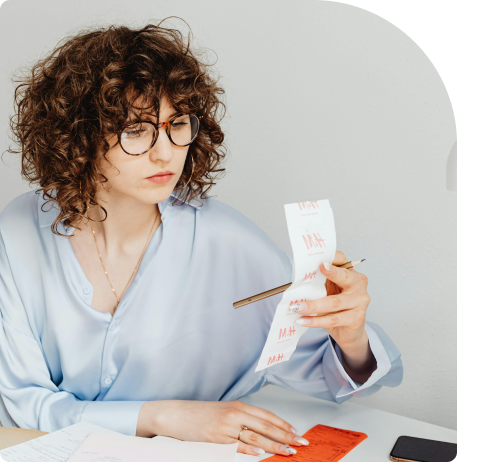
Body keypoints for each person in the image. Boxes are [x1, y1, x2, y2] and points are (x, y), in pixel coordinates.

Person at [0, 22, 403, 457]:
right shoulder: (19, 229)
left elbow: (331, 376)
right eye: (136, 130)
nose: (165, 151)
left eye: (177, 124)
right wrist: (165, 416)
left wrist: (351, 336)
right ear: (78, 137)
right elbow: (23, 407)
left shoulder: (229, 243)